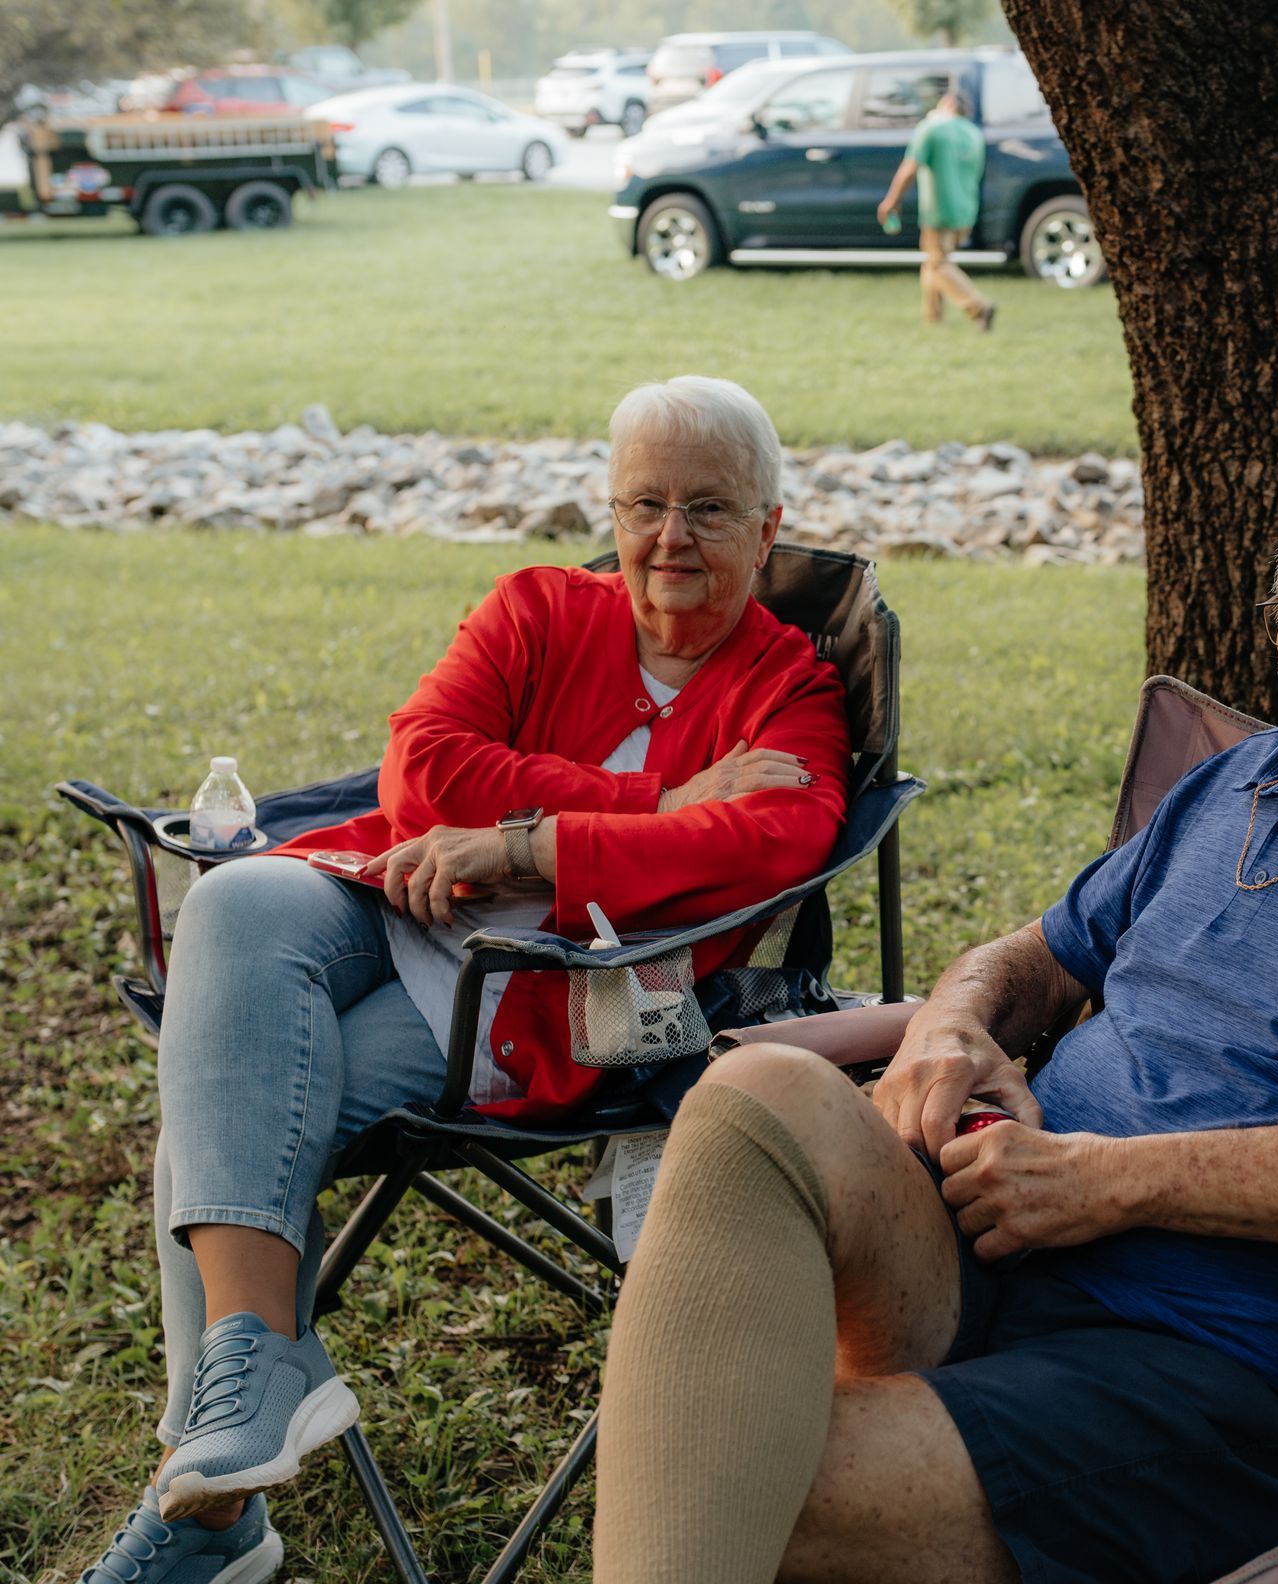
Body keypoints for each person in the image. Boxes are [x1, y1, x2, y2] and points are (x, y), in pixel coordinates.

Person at [592, 463, 1278, 1584]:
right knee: (756, 1099)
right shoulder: (1241, 779)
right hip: (1001, 1247)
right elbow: (1036, 957)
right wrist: (953, 1026)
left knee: (737, 1478)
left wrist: (1112, 1180)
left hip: (1236, 1370)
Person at [76, 376, 850, 1584]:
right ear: (611, 509)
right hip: (385, 897)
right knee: (234, 897)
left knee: (209, 1121)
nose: (670, 537)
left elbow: (772, 837)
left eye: (709, 507)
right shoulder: (541, 606)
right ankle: (252, 1369)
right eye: (643, 503)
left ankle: (211, 1512)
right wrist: (642, 807)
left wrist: (524, 841)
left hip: (537, 998)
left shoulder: (789, 687)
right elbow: (423, 771)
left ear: (768, 524)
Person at [878, 83, 995, 332]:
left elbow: (910, 168)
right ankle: (933, 317)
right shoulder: (974, 134)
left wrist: (892, 200)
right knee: (934, 260)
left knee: (937, 264)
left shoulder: (932, 129)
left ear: (947, 106)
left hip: (939, 210)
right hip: (966, 209)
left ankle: (978, 306)